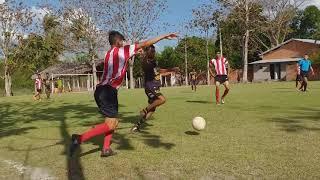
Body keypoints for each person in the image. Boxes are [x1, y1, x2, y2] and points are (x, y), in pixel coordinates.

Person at [69, 31, 177, 157]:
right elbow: (146, 43)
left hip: (100, 90)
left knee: (112, 121)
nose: (124, 43)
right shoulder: (123, 50)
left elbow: (121, 60)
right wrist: (163, 35)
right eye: (123, 41)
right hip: (109, 91)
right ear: (118, 41)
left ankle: (106, 149)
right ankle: (79, 138)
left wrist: (135, 53)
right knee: (112, 124)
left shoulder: (108, 53)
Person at [131, 45, 166, 132]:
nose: (154, 53)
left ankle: (136, 126)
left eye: (154, 51)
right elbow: (146, 64)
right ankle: (145, 110)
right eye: (152, 51)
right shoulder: (145, 62)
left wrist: (171, 69)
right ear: (147, 52)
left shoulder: (154, 61)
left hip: (155, 86)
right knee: (162, 100)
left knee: (152, 110)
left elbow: (158, 71)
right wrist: (143, 53)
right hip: (150, 86)